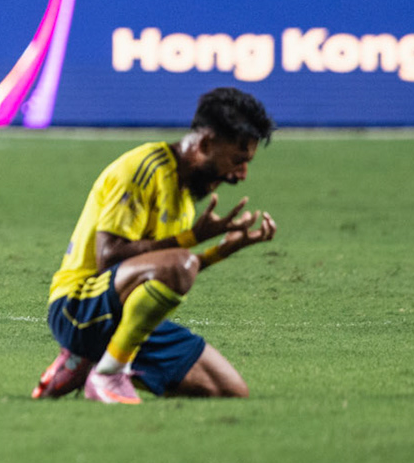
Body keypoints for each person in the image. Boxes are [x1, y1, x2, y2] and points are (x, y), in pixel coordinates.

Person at [33, 88, 280, 405]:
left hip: (122, 317)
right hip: (79, 307)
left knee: (228, 389)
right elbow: (108, 257)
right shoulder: (144, 169)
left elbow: (165, 272)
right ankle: (108, 372)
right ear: (205, 144)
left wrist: (222, 250)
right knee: (180, 263)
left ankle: (89, 361)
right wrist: (192, 238)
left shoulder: (185, 195)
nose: (241, 175)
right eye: (237, 160)